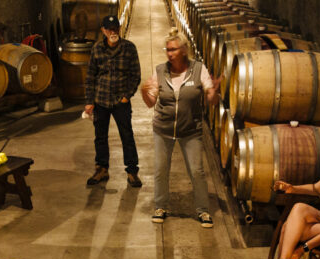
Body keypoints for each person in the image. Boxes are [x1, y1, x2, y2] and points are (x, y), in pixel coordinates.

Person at [140, 29, 222, 228]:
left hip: (190, 129)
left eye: (173, 49)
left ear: (184, 50)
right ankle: (160, 206)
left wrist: (213, 93)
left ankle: (203, 210)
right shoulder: (160, 71)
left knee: (196, 171)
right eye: (167, 50)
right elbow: (151, 103)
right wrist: (144, 92)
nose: (169, 53)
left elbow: (211, 99)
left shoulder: (198, 69)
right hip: (163, 128)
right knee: (160, 170)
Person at [85, 14, 143, 187]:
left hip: (120, 101)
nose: (113, 31)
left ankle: (132, 171)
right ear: (103, 30)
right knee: (100, 137)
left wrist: (127, 95)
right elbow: (90, 77)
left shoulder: (129, 48)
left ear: (119, 28)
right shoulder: (96, 49)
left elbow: (135, 75)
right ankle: (101, 169)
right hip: (101, 100)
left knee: (127, 136)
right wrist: (89, 101)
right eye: (109, 29)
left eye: (115, 28)